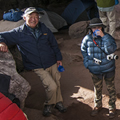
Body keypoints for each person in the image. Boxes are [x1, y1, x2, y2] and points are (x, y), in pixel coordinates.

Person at [0, 7, 66, 117]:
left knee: (57, 83)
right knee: (51, 86)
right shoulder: (19, 32)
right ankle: (49, 104)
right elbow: (1, 35)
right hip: (37, 65)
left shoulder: (44, 28)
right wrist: (1, 43)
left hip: (51, 61)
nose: (34, 19)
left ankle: (58, 102)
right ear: (24, 17)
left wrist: (59, 58)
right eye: (31, 17)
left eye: (36, 17)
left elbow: (54, 44)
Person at [81, 18, 117, 119]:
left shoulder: (108, 37)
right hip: (95, 69)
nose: (96, 29)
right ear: (90, 29)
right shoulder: (87, 39)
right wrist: (87, 63)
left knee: (111, 88)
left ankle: (112, 107)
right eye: (94, 27)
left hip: (108, 68)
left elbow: (111, 50)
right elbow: (83, 51)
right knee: (97, 88)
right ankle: (97, 106)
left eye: (98, 27)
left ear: (102, 27)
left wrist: (103, 37)